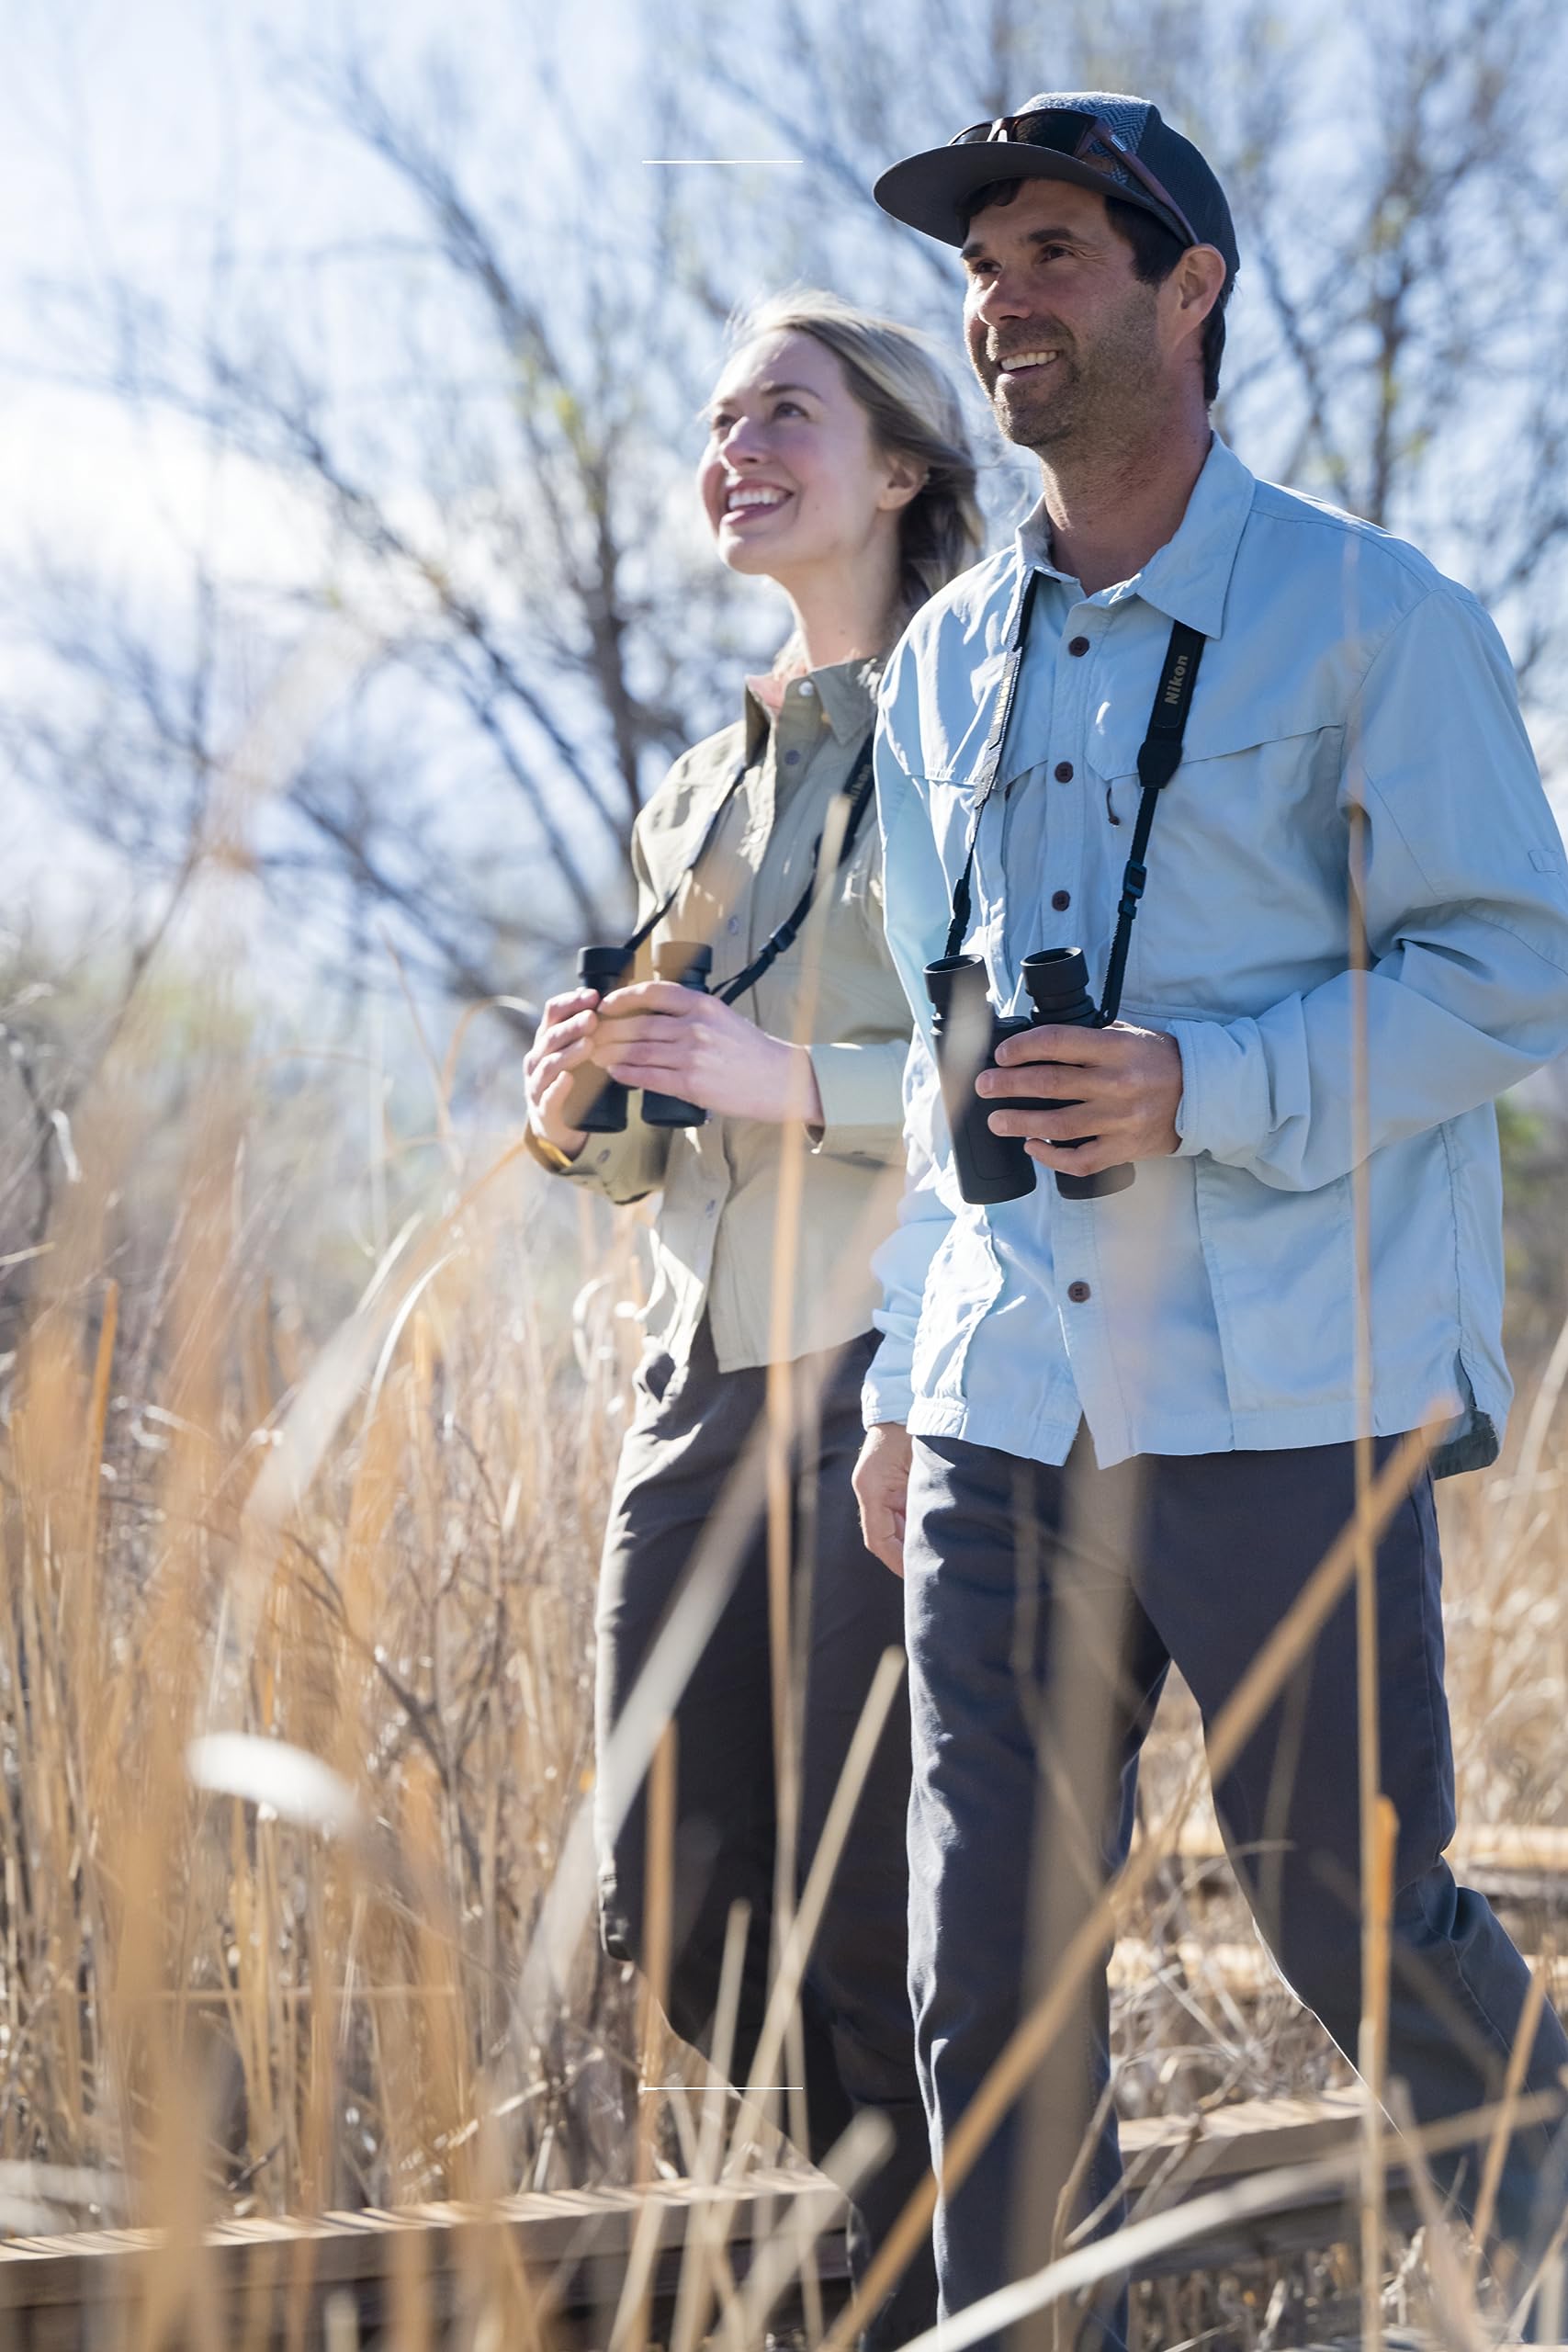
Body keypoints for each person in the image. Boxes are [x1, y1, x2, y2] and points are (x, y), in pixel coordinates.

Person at [852, 92, 1568, 2349]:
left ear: (1191, 293)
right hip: (1001, 1394)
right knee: (988, 1969)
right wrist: (896, 1371)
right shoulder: (937, 659)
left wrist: (1206, 1084)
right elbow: (919, 1046)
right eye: (983, 265)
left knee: (1344, 1911)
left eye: (1055, 250)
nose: (1002, 298)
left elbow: (1512, 963)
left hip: (1289, 1383)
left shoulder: (1377, 612)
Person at [523, 288, 981, 2345]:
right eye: (717, 418)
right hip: (691, 1383)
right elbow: (658, 1128)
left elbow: (1029, 1066)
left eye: (782, 411)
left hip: (895, 1369)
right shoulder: (697, 779)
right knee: (682, 1912)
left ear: (898, 464)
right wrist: (580, 1104)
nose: (735, 448)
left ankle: (961, 2283)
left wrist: (790, 1077)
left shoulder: (981, 722)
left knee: (880, 1914)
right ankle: (963, 2239)